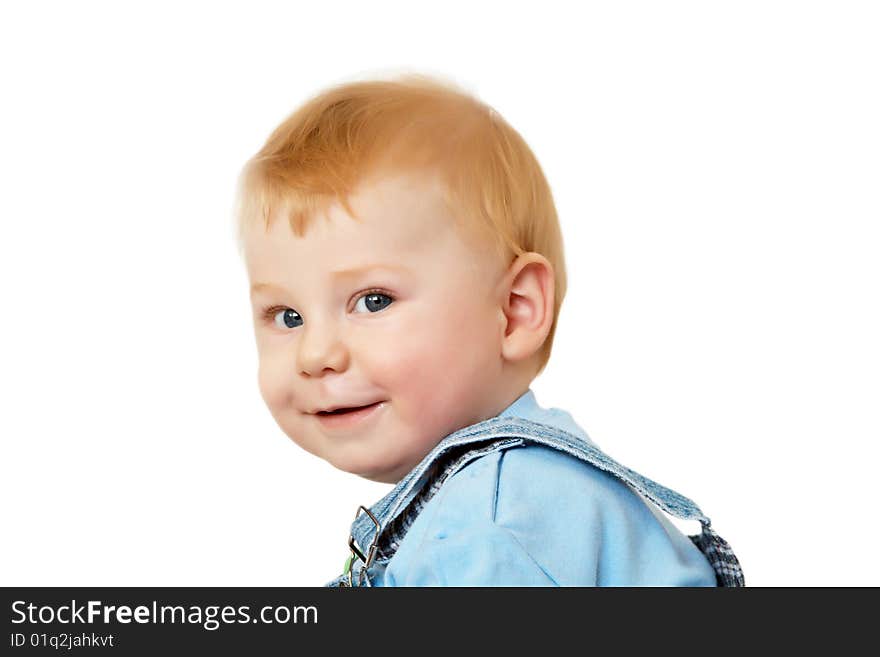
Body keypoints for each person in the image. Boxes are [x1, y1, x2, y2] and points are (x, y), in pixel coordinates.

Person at [234, 75, 744, 586]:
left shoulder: (489, 523)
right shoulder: (528, 492)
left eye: (373, 301)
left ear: (515, 310)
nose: (315, 353)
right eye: (287, 316)